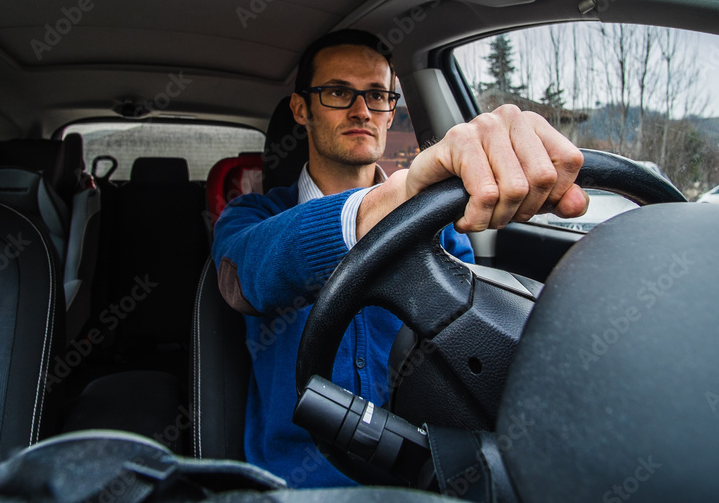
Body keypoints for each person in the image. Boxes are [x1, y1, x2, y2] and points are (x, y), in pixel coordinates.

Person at [211, 29, 588, 487]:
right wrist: (390, 201)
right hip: (299, 484)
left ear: (391, 113)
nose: (362, 110)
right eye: (337, 92)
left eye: (377, 95)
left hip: (431, 474)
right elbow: (245, 273)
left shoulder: (437, 219)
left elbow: (469, 336)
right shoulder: (252, 216)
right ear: (300, 109)